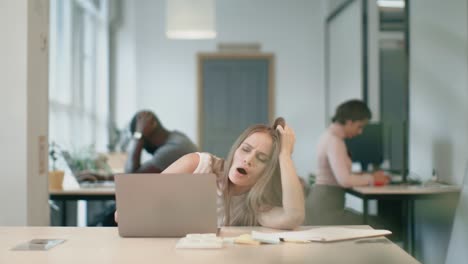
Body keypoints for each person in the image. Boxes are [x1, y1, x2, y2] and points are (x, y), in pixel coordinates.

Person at [116, 118, 305, 229]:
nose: (248, 160)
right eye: (245, 149)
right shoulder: (197, 164)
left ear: (268, 171)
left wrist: (285, 154)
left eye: (262, 158)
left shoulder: (256, 206)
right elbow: (124, 214)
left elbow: (293, 217)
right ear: (235, 149)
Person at [305, 99, 390, 225]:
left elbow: (338, 174)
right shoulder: (334, 141)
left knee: (374, 222)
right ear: (349, 122)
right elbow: (344, 180)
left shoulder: (328, 136)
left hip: (321, 205)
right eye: (359, 126)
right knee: (380, 225)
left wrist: (362, 176)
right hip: (326, 211)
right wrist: (372, 178)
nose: (360, 132)